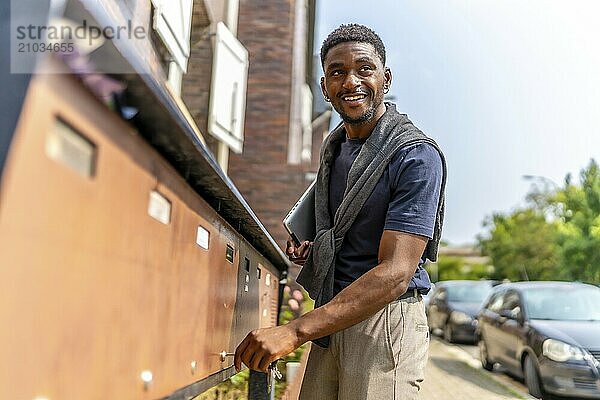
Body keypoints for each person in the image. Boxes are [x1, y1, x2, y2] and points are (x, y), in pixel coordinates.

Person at [235, 23, 446, 399]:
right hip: (333, 316)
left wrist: (294, 330)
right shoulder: (335, 151)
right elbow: (356, 236)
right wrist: (317, 249)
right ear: (325, 87)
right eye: (338, 72)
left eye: (364, 69)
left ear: (386, 77)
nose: (351, 82)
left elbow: (396, 272)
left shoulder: (415, 155)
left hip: (384, 323)